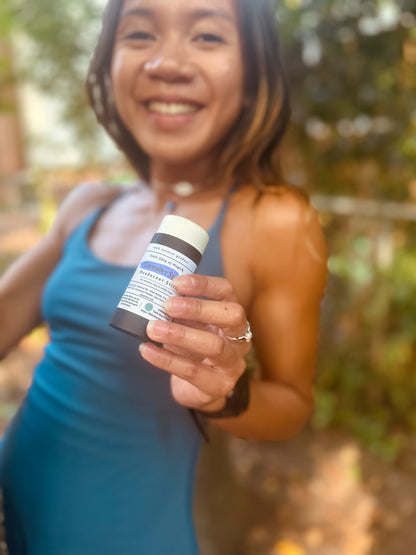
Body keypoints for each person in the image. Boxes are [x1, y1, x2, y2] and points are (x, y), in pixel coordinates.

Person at [0, 0, 328, 553]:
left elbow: (293, 404)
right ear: (108, 64)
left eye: (206, 36)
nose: (166, 62)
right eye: (139, 34)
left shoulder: (273, 220)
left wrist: (226, 392)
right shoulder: (88, 205)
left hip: (131, 534)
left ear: (252, 73)